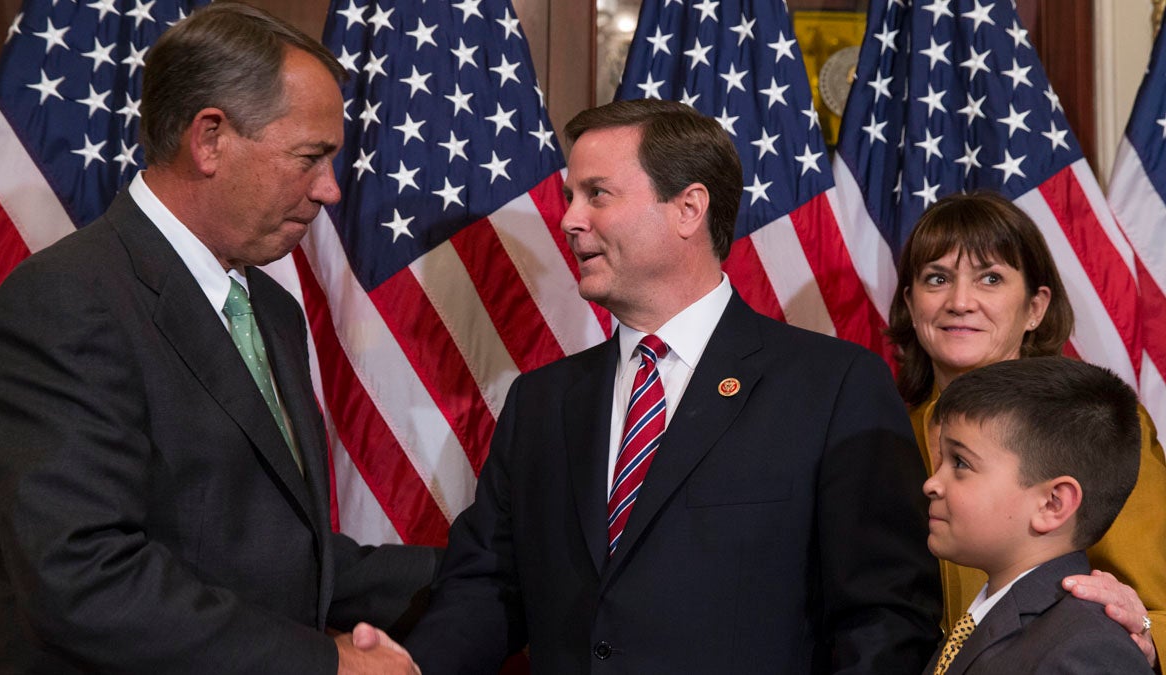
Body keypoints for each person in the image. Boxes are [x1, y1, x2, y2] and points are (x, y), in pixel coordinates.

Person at [0, 5, 435, 674]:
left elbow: (271, 550)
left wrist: (489, 571)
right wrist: (323, 665)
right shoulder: (66, 301)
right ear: (210, 138)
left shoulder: (268, 306)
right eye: (311, 157)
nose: (331, 189)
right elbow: (84, 579)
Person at [404, 99, 941, 672]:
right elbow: (487, 586)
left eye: (597, 194)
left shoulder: (833, 387)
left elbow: (886, 618)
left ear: (688, 209)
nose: (568, 220)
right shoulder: (542, 401)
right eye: (570, 198)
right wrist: (412, 667)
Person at [889, 191, 1166, 668]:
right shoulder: (883, 434)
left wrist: (1144, 631)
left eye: (990, 278)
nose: (960, 302)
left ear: (1036, 307)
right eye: (937, 279)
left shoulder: (1086, 427)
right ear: (912, 306)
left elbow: (1158, 605)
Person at [920, 356, 1151, 674]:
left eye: (960, 463)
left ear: (1052, 504)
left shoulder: (1085, 650)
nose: (932, 484)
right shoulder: (984, 623)